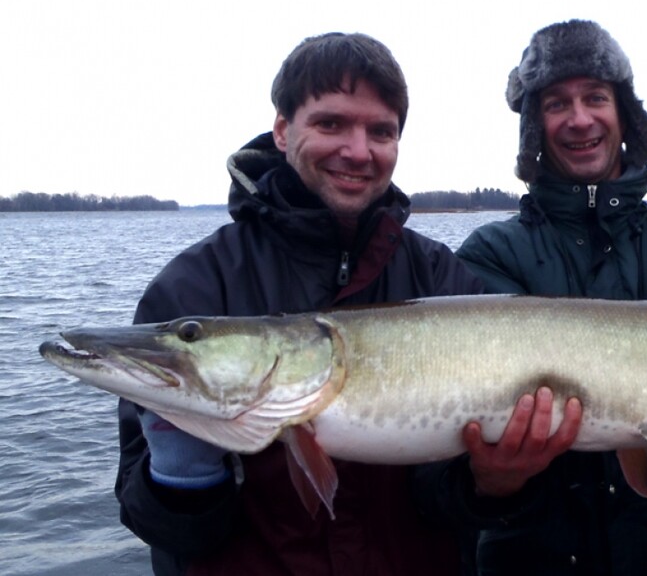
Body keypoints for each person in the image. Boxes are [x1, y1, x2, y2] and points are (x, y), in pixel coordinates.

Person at [115, 32, 483, 575]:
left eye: (380, 131)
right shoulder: (193, 286)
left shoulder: (442, 277)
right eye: (331, 123)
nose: (358, 151)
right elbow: (161, 528)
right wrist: (182, 478)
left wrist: (497, 480)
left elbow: (455, 506)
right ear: (284, 131)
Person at [429, 19, 647, 575]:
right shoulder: (489, 255)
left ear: (624, 114)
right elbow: (453, 476)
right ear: (535, 126)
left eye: (596, 97)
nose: (579, 119)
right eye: (557, 103)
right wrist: (492, 481)